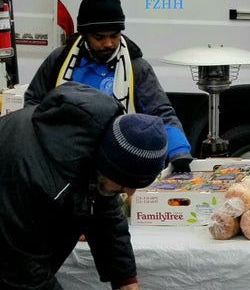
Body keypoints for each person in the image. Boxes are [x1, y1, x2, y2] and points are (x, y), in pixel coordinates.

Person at [0, 83, 168, 289]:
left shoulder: (96, 148)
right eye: (125, 184)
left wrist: (125, 280)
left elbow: (105, 215)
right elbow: (22, 271)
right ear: (108, 166)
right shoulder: (39, 179)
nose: (129, 192)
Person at [25, 0, 192, 171]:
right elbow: (34, 103)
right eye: (99, 37)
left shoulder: (137, 67)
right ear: (84, 34)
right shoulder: (59, 60)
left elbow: (160, 112)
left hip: (118, 162)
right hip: (64, 159)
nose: (108, 44)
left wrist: (179, 152)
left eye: (114, 35)